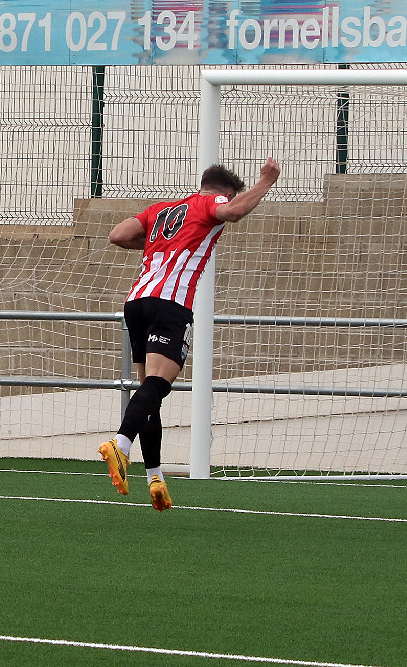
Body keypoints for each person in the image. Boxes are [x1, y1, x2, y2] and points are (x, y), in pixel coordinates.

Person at [100, 158, 281, 511]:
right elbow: (232, 213)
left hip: (137, 301)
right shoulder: (208, 203)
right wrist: (266, 182)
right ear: (225, 192)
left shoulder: (162, 209)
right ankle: (120, 445)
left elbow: (118, 235)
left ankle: (155, 477)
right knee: (159, 385)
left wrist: (160, 246)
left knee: (149, 393)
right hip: (171, 302)